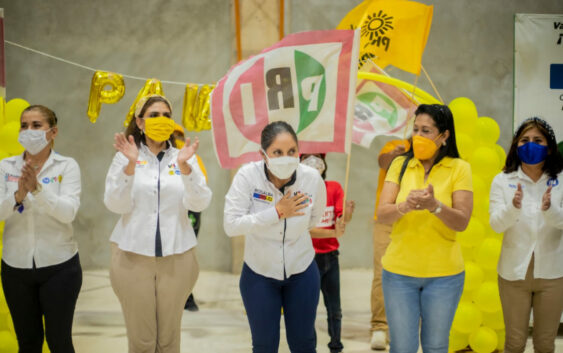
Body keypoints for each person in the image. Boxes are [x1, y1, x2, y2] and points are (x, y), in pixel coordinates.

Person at [104, 94, 212, 353]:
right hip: (132, 258)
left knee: (168, 340)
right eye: (154, 115)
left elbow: (200, 203)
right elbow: (115, 204)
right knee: (141, 340)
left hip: (178, 257)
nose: (161, 120)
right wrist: (130, 166)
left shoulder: (183, 157)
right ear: (140, 123)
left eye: (166, 115)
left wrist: (186, 169)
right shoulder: (125, 157)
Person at [376, 104, 473, 353]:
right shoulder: (399, 165)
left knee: (436, 346)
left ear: (444, 136)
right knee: (402, 347)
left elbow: (462, 221)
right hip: (398, 273)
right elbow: (382, 214)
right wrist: (405, 206)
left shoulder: (460, 168)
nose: (418, 136)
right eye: (416, 129)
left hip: (444, 276)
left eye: (426, 131)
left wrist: (435, 206)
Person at [224, 121, 326, 353]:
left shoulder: (311, 179)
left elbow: (314, 218)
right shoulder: (247, 177)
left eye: (291, 151)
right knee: (264, 345)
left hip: (302, 272)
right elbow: (231, 225)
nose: (286, 157)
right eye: (277, 152)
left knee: (304, 344)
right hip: (259, 274)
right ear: (263, 154)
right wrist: (276, 213)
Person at [0, 105, 82, 353]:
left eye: (36, 125)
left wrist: (37, 190)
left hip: (59, 267)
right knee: (28, 343)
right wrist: (18, 194)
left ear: (53, 131)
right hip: (16, 267)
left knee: (59, 342)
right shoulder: (6, 167)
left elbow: (68, 212)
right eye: (24, 126)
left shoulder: (67, 166)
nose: (28, 131)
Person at [489, 117, 563, 353]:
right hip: (513, 274)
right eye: (525, 140)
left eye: (537, 140)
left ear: (549, 147)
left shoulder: (561, 179)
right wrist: (513, 207)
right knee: (514, 342)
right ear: (516, 146)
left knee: (545, 343)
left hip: (553, 274)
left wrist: (550, 209)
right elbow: (496, 225)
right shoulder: (502, 180)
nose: (531, 144)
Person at [300, 153, 354, 353]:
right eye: (307, 158)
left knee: (334, 308)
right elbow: (304, 229)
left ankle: (336, 345)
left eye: (317, 158)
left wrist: (347, 213)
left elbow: (341, 220)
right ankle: (309, 346)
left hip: (330, 256)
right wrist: (332, 232)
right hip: (306, 258)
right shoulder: (299, 192)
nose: (313, 162)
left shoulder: (334, 188)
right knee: (308, 308)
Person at [369, 138, 410, 350]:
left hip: (413, 220)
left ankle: (405, 326)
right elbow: (383, 162)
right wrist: (396, 153)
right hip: (385, 219)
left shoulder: (431, 152)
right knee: (382, 272)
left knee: (411, 274)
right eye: (416, 125)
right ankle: (379, 326)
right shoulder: (396, 144)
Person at [172, 124, 208, 312]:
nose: (176, 138)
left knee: (185, 253)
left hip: (190, 213)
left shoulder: (192, 158)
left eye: (179, 135)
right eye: (173, 135)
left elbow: (201, 187)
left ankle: (186, 297)